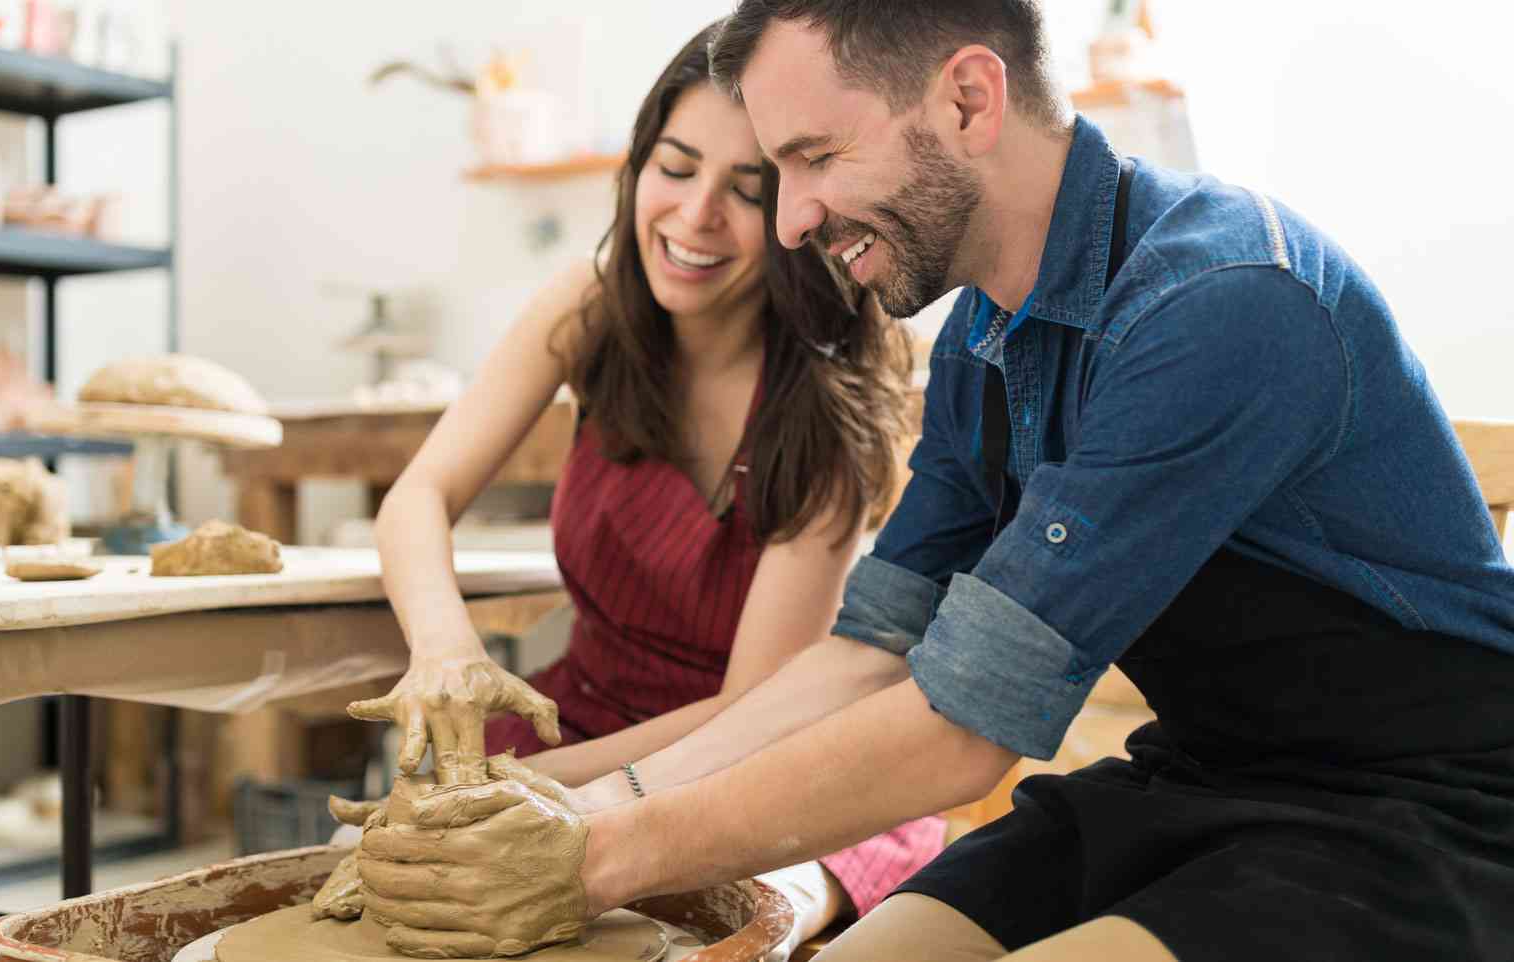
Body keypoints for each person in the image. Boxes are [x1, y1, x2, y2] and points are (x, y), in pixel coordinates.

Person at [353, 2, 1514, 960]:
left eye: (811, 158)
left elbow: (966, 731)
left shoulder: (1219, 298)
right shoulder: (982, 339)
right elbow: (867, 658)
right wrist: (577, 804)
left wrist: (593, 857)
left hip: (1425, 812)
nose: (793, 217)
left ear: (967, 98)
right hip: (1201, 774)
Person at [349, 21, 939, 945]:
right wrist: (446, 655)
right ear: (636, 167)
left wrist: (565, 793)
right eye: (674, 166)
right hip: (577, 721)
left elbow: (756, 706)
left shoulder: (829, 412)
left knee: (755, 914)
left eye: (747, 190)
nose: (695, 216)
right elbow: (417, 498)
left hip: (748, 754)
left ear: (797, 211)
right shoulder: (591, 308)